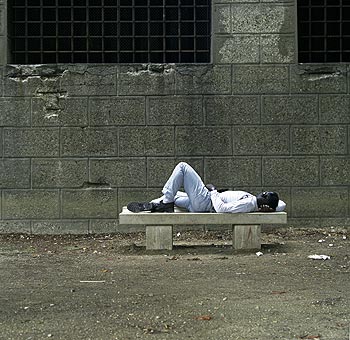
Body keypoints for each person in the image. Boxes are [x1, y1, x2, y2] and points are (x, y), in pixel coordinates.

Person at [127, 162, 286, 214]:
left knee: (182, 167)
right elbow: (281, 205)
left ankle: (165, 203)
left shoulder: (249, 203)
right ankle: (156, 205)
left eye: (265, 195)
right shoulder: (252, 202)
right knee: (174, 196)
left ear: (265, 203)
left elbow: (222, 208)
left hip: (205, 201)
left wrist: (214, 190)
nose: (263, 193)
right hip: (199, 203)